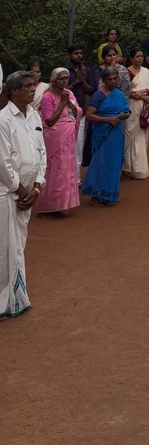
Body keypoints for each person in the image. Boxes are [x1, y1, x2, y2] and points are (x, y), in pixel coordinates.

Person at [0, 71, 46, 319]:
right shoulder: (3, 120)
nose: (33, 89)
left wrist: (37, 188)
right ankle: (4, 303)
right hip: (7, 195)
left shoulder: (34, 116)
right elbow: (2, 163)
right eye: (28, 86)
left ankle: (16, 299)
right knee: (5, 248)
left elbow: (42, 154)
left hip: (28, 195)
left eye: (34, 85)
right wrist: (21, 190)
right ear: (14, 90)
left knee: (18, 246)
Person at [35, 68, 82, 216]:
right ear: (54, 80)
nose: (64, 81)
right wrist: (62, 102)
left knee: (66, 171)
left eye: (66, 78)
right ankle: (48, 205)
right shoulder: (47, 97)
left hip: (67, 138)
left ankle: (62, 204)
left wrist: (70, 102)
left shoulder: (70, 93)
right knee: (53, 171)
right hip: (54, 138)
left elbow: (78, 112)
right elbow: (49, 121)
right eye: (61, 78)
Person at [83, 68, 130, 205]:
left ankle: (109, 194)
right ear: (103, 80)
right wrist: (107, 120)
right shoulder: (98, 96)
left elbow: (127, 111)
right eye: (110, 79)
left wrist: (123, 115)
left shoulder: (120, 95)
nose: (113, 81)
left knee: (113, 163)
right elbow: (90, 115)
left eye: (115, 78)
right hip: (102, 135)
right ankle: (95, 195)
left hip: (116, 135)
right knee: (99, 163)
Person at [123, 48, 149, 179]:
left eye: (142, 56)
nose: (140, 59)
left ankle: (139, 169)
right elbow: (123, 91)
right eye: (137, 56)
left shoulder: (146, 71)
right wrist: (137, 95)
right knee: (129, 135)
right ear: (131, 59)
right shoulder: (125, 72)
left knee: (141, 136)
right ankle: (127, 167)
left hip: (143, 109)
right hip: (131, 107)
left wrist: (144, 91)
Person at [66, 44, 96, 173]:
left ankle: (76, 177)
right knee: (65, 144)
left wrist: (82, 80)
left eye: (80, 53)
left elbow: (91, 91)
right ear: (69, 55)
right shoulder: (64, 71)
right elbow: (62, 92)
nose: (79, 56)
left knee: (78, 146)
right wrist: (76, 81)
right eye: (75, 53)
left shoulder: (86, 71)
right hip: (64, 113)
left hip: (80, 113)